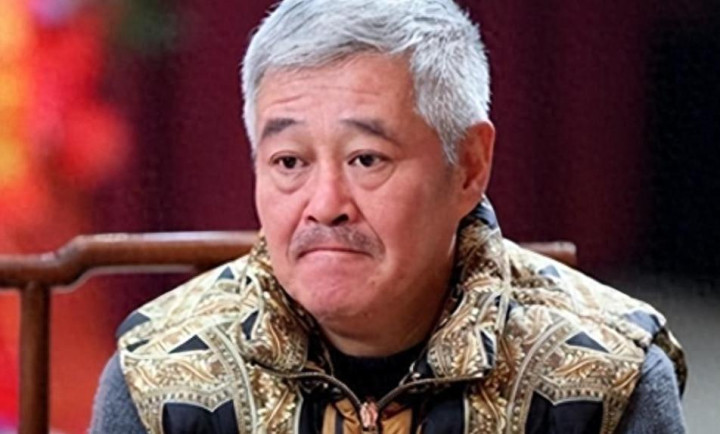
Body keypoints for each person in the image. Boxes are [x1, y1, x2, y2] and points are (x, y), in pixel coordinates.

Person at [91, 0, 687, 432]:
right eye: (290, 162)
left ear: (469, 167)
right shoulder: (162, 376)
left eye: (366, 159)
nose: (325, 204)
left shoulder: (606, 374)